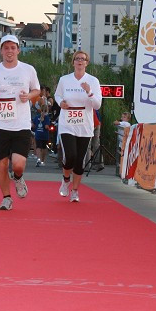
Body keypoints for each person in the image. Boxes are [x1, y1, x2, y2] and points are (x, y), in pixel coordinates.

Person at [0, 34, 40, 211]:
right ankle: (6, 198)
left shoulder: (28, 69)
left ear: (18, 50)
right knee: (1, 164)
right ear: (1, 50)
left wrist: (28, 96)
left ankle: (18, 177)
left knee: (18, 164)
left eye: (13, 48)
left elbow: (37, 90)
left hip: (21, 124)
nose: (9, 51)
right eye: (6, 48)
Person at [54, 49, 102, 202]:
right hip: (67, 123)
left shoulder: (93, 81)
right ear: (73, 62)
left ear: (87, 63)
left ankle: (75, 191)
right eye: (77, 59)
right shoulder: (64, 79)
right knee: (71, 155)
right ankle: (66, 179)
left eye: (83, 59)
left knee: (80, 159)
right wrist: (60, 102)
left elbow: (97, 105)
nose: (80, 61)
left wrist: (89, 92)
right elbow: (57, 95)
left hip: (84, 124)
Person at [32, 98, 52, 167]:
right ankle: (42, 161)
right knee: (43, 148)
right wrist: (49, 128)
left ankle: (38, 159)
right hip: (44, 134)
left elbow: (33, 125)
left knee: (38, 147)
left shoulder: (37, 116)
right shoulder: (47, 118)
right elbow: (46, 126)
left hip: (38, 134)